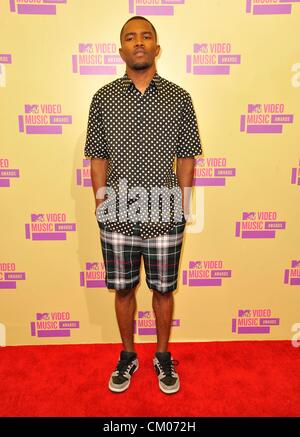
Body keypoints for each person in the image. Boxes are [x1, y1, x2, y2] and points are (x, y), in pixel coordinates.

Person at [84, 16, 202, 394]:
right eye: (130, 38)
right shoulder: (102, 98)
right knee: (122, 290)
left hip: (165, 213)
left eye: (146, 36)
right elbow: (97, 157)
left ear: (157, 48)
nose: (139, 42)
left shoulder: (179, 98)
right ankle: (128, 354)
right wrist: (101, 204)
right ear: (121, 51)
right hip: (116, 214)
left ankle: (163, 357)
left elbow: (187, 158)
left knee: (164, 290)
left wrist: (182, 208)